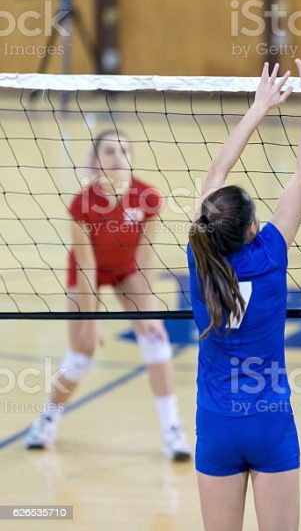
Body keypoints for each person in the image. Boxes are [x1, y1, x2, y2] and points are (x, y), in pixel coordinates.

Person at [187, 50, 301, 531]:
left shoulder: (201, 255)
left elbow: (214, 176)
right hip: (269, 419)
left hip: (217, 423)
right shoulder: (271, 254)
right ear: (254, 227)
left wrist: (257, 107)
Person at [26, 129, 191, 461]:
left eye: (124, 151)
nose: (119, 157)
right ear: (97, 160)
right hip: (87, 272)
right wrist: (90, 320)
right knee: (82, 353)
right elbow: (86, 265)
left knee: (156, 338)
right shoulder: (82, 203)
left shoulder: (148, 198)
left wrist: (149, 311)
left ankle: (172, 430)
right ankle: (48, 419)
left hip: (125, 270)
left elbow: (145, 259)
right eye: (110, 151)